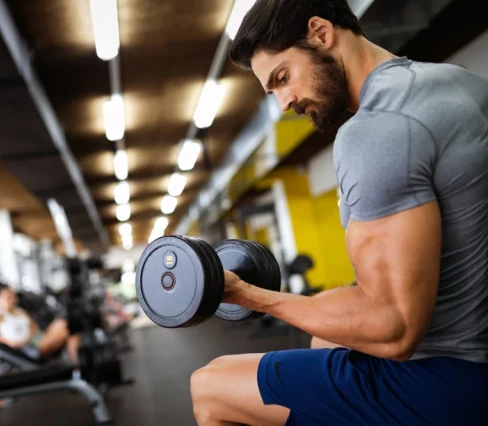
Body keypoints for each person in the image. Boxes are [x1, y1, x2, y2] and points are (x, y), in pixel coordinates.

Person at [190, 1, 488, 425]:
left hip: (450, 383)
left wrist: (248, 295)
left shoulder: (373, 130)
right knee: (320, 343)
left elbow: (395, 327)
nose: (284, 102)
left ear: (320, 32)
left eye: (282, 77)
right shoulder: (463, 84)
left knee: (211, 383)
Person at [0, 285, 81, 366]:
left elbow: (34, 325)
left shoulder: (20, 311)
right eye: (8, 298)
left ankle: (77, 363)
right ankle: (77, 365)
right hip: (29, 346)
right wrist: (9, 342)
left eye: (13, 296)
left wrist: (36, 335)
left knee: (66, 324)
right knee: (69, 328)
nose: (12, 300)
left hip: (36, 338)